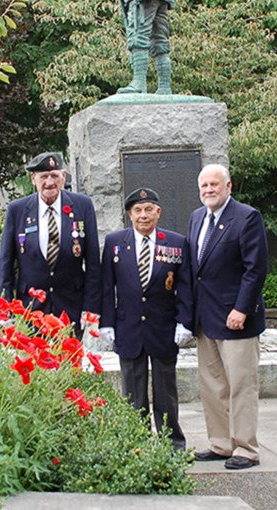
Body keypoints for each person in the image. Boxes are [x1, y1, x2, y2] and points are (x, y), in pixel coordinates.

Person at [187, 164, 269, 470]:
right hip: (205, 320)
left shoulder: (247, 217)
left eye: (214, 184)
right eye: (204, 185)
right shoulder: (197, 217)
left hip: (237, 319)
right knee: (213, 385)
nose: (209, 190)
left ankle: (246, 448)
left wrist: (242, 309)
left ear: (228, 186)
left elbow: (256, 268)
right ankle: (221, 444)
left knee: (241, 385)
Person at [100, 188, 194, 450]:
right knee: (132, 392)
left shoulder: (176, 243)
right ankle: (135, 442)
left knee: (166, 391)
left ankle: (171, 443)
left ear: (158, 212)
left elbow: (185, 287)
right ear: (130, 214)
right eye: (138, 210)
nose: (144, 215)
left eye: (149, 209)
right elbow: (107, 287)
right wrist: (106, 322)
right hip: (128, 327)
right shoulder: (115, 242)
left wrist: (184, 322)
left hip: (163, 329)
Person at [0, 152, 101, 337]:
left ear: (64, 176)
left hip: (70, 307)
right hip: (30, 309)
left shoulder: (82, 206)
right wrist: (4, 308)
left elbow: (93, 262)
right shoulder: (17, 210)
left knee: (68, 364)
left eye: (54, 176)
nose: (50, 182)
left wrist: (90, 307)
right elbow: (6, 263)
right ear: (33, 178)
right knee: (33, 365)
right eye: (44, 177)